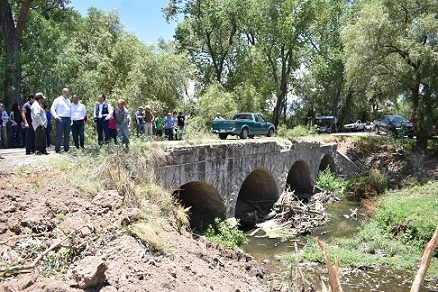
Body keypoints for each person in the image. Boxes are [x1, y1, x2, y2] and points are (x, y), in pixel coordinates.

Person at [51, 88, 72, 153]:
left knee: (67, 134)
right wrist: (56, 117)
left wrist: (71, 118)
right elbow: (52, 109)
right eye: (67, 93)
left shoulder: (68, 100)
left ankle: (66, 149)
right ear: (63, 92)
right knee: (59, 134)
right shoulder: (57, 100)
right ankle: (57, 149)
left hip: (68, 119)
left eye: (68, 93)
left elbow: (70, 110)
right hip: (60, 118)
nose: (68, 94)